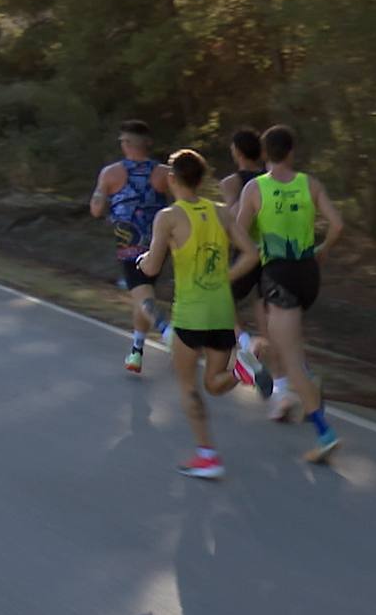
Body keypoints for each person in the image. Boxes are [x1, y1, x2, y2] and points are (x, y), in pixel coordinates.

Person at [136, 149, 261, 478]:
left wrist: (142, 261)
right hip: (221, 311)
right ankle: (241, 373)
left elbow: (152, 266)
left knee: (189, 387)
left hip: (191, 315)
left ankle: (208, 455)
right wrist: (223, 278)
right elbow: (251, 254)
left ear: (173, 179)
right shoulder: (221, 213)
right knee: (215, 382)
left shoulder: (168, 217)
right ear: (202, 179)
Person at [234, 124, 343, 462]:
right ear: (292, 151)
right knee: (292, 345)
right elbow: (338, 224)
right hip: (309, 275)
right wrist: (323, 248)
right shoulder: (310, 184)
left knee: (289, 358)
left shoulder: (255, 188)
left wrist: (251, 252)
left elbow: (238, 229)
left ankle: (324, 433)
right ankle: (309, 380)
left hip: (279, 277)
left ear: (265, 154)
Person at [90, 120, 173, 373]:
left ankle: (167, 332)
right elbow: (182, 204)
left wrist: (105, 197)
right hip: (159, 242)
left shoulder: (110, 173)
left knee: (142, 295)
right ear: (147, 143)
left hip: (128, 244)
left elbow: (95, 210)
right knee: (144, 293)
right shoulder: (164, 173)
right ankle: (136, 351)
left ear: (126, 144)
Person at [218, 128, 270, 394]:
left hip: (246, 250)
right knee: (263, 307)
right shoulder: (270, 180)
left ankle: (245, 343)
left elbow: (233, 216)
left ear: (237, 152)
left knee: (221, 296)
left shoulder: (231, 182)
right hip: (272, 252)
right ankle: (281, 384)